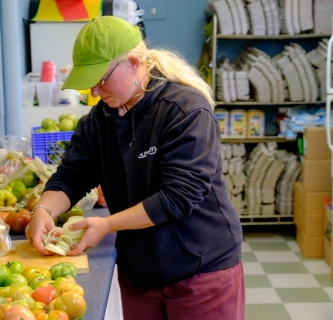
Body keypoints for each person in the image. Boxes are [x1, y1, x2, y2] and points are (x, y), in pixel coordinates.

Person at [30, 16, 245, 320]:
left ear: (133, 63)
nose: (94, 92)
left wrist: (106, 225)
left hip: (200, 268)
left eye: (101, 79)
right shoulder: (97, 123)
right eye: (89, 83)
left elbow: (178, 197)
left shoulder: (184, 110)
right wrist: (43, 211)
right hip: (140, 272)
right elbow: (72, 176)